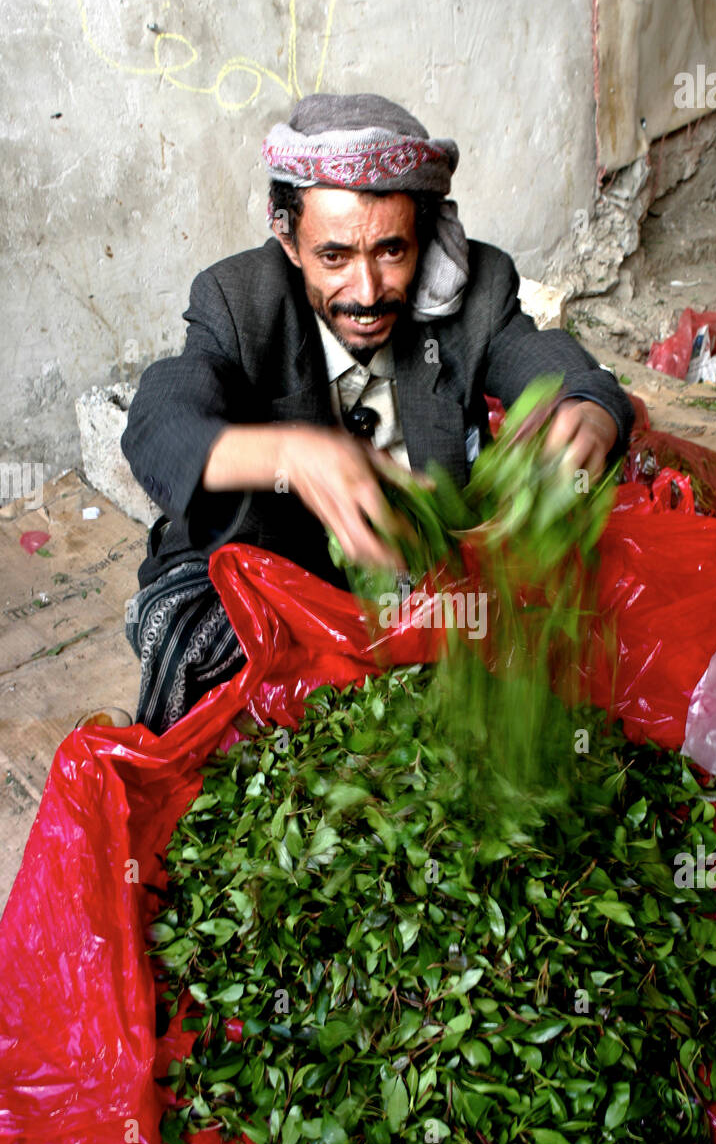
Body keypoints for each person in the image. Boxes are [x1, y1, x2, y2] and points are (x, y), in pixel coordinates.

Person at [121, 93, 634, 734]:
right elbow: (158, 421)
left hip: (418, 576)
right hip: (280, 571)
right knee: (184, 633)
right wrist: (292, 457)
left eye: (392, 252)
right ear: (289, 239)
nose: (366, 294)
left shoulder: (477, 290)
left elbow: (561, 371)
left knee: (543, 635)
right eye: (334, 257)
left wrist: (589, 410)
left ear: (422, 234)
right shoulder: (238, 300)